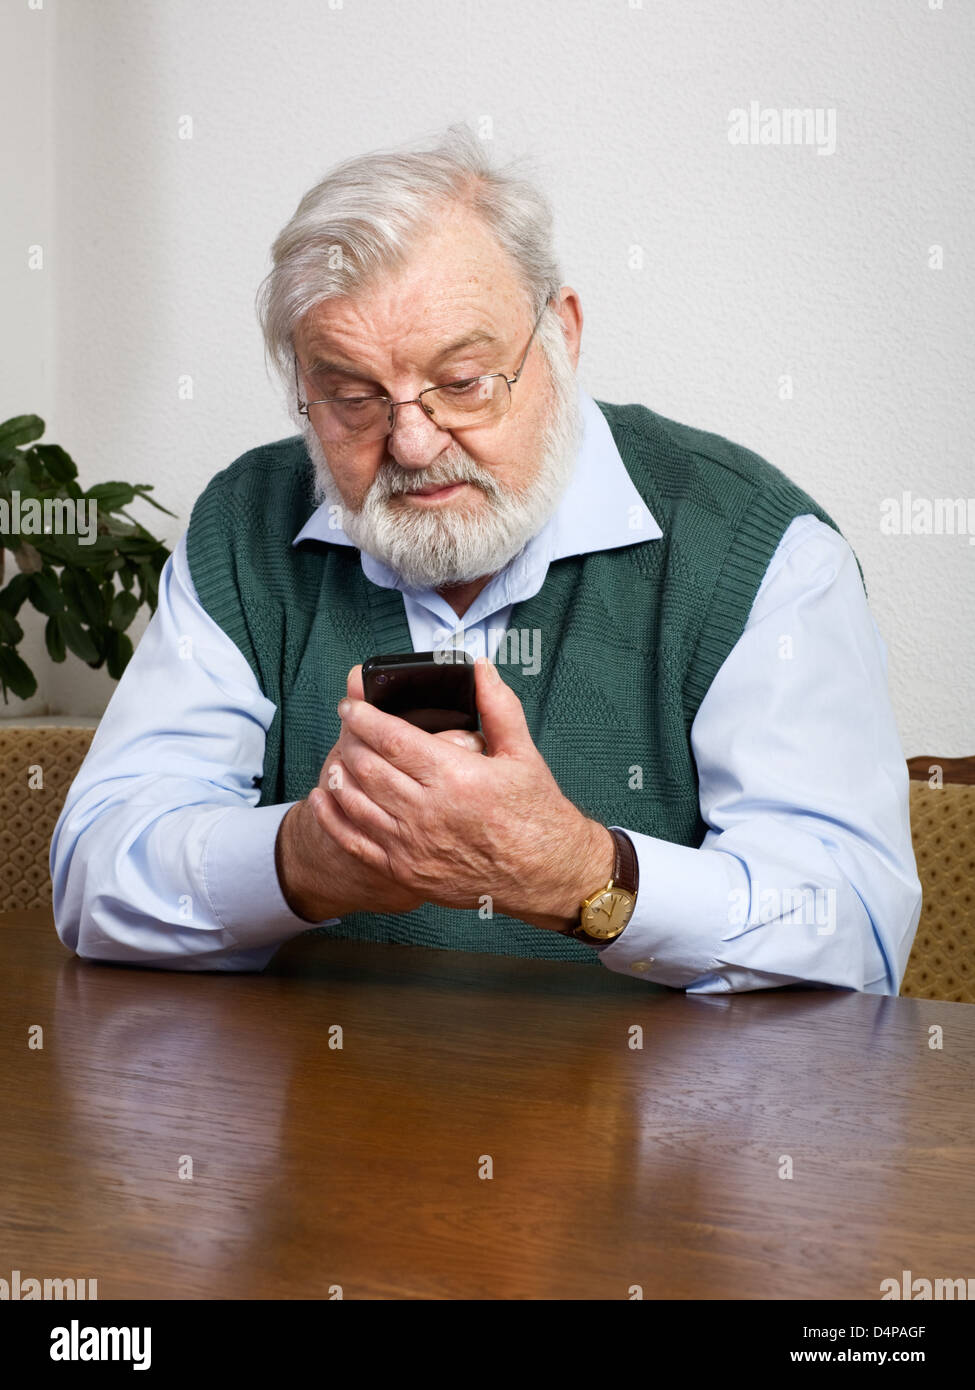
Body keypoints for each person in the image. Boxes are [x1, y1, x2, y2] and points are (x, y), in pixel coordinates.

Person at [51, 124, 921, 992]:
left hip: (645, 1121)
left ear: (562, 338)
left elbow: (849, 927)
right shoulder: (248, 523)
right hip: (315, 1105)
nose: (415, 442)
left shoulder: (757, 549)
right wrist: (302, 861)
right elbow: (95, 875)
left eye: (462, 383)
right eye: (352, 398)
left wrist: (580, 877)